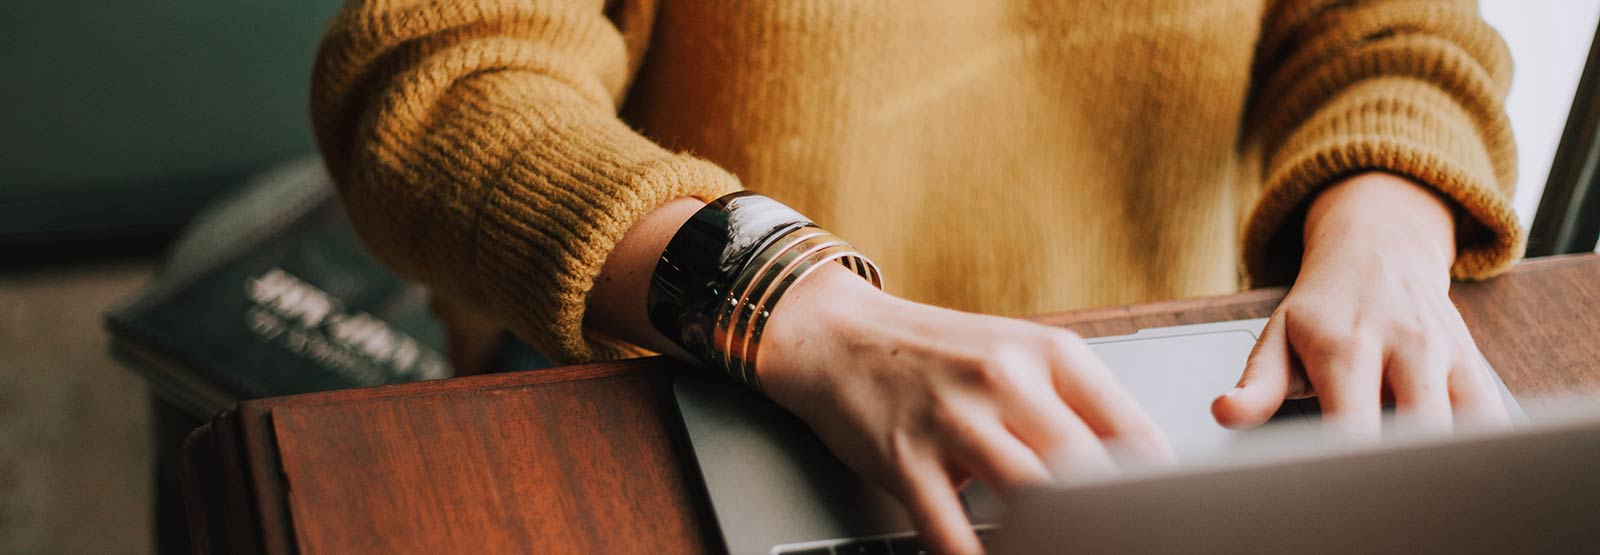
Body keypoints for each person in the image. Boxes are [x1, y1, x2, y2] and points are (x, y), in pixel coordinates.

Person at [312, 1, 1521, 553]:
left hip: (1139, 416)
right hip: (699, 391)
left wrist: (1387, 229)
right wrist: (794, 301)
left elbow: (1393, 31)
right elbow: (434, 79)